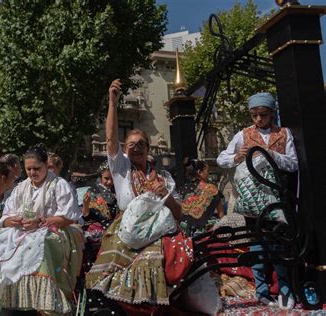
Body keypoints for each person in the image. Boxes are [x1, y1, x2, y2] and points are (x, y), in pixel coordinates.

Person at [86, 79, 220, 315]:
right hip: (126, 227)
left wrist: (165, 196)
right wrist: (112, 102)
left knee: (167, 258)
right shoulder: (122, 170)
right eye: (130, 144)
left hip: (160, 230)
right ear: (124, 149)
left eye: (141, 144)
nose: (135, 148)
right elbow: (109, 139)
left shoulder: (165, 177)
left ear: (148, 149)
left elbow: (178, 214)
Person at [0, 144, 83, 314]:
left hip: (53, 229)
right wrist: (12, 221)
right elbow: (6, 216)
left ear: (45, 165)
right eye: (28, 169)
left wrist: (41, 221)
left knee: (39, 249)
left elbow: (68, 217)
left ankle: (44, 302)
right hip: (23, 231)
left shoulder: (58, 184)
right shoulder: (21, 187)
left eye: (37, 168)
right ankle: (6, 298)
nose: (32, 173)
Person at [217, 92, 298, 310]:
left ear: (272, 113)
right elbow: (221, 159)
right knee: (256, 246)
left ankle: (285, 289)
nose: (258, 120)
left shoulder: (284, 134)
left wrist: (270, 155)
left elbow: (293, 164)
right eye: (254, 115)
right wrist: (236, 157)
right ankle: (262, 290)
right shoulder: (243, 135)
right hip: (252, 203)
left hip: (277, 201)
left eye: (262, 114)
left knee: (279, 245)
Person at [81, 161, 118, 271]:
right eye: (106, 178)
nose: (109, 182)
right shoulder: (92, 192)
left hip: (117, 226)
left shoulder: (118, 191)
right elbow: (86, 217)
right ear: (100, 176)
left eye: (112, 179)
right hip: (98, 228)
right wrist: (86, 205)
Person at [179, 159, 225, 237]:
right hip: (205, 233)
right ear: (200, 172)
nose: (209, 174)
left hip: (185, 233)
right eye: (207, 171)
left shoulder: (182, 189)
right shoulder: (212, 189)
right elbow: (221, 214)